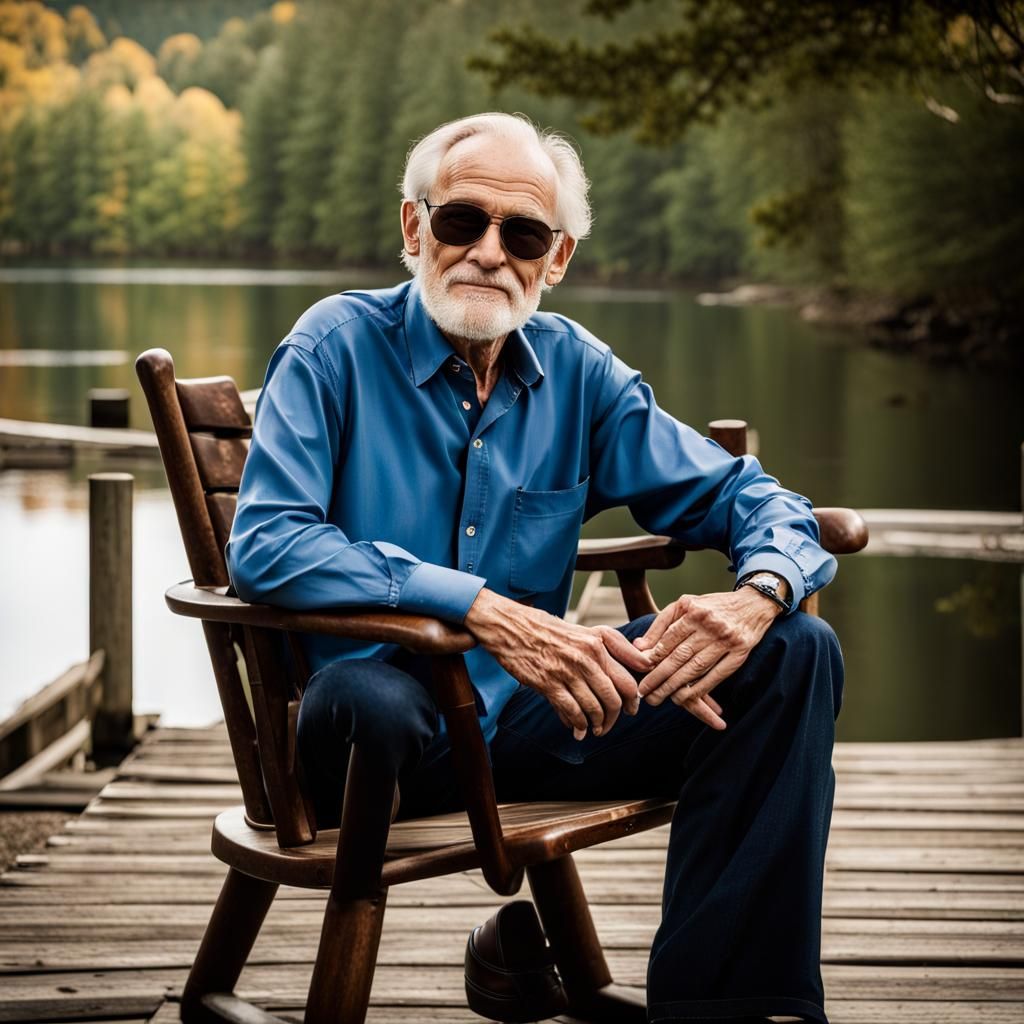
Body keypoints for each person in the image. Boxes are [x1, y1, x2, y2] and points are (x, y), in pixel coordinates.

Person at [227, 112, 843, 1024]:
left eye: (521, 234)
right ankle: (522, 959)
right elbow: (268, 542)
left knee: (795, 653)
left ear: (556, 259)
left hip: (525, 721)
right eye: (460, 220)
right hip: (371, 742)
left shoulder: (577, 372)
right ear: (414, 227)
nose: (488, 252)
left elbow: (746, 496)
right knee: (371, 700)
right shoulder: (334, 346)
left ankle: (721, 1008)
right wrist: (480, 607)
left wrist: (761, 594)